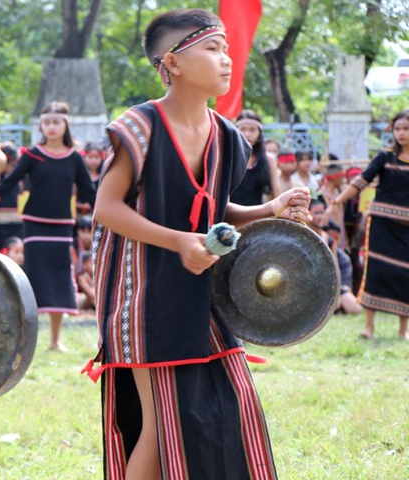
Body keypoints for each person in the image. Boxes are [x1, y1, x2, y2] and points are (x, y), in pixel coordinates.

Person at [83, 9, 311, 479]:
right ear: (172, 62)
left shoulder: (228, 138)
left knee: (231, 402)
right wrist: (180, 242)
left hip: (201, 297)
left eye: (226, 48)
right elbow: (107, 207)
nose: (227, 60)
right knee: (162, 421)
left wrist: (268, 210)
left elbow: (213, 208)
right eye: (212, 48)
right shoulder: (140, 127)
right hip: (143, 299)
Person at [0, 101, 96, 351]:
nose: (51, 127)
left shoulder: (75, 158)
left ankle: (55, 341)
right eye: (46, 122)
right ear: (41, 125)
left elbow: (90, 192)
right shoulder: (32, 155)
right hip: (34, 227)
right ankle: (22, 339)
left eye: (56, 122)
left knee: (60, 280)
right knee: (31, 279)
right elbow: (8, 184)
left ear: (66, 124)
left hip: (63, 227)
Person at [331, 109, 409, 341]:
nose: (401, 133)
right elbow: (360, 181)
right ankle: (369, 327)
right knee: (375, 272)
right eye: (398, 129)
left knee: (406, 275)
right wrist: (337, 200)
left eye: (406, 128)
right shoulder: (384, 158)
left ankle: (403, 330)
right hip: (382, 226)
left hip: (407, 230)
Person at [230, 110, 281, 205]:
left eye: (252, 130)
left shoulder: (269, 159)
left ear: (259, 133)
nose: (247, 134)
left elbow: (277, 194)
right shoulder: (228, 156)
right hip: (229, 216)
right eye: (243, 129)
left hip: (257, 215)